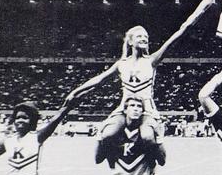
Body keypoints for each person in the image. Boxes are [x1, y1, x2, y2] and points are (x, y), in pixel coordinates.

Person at [66, 18, 199, 162]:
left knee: (148, 137)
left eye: (146, 37)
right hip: (124, 109)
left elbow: (177, 35)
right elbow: (99, 79)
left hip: (146, 109)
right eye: (139, 36)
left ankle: (150, 162)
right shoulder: (121, 64)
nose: (144, 39)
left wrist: (200, 10)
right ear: (130, 42)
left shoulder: (152, 60)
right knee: (108, 135)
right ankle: (115, 160)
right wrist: (75, 91)